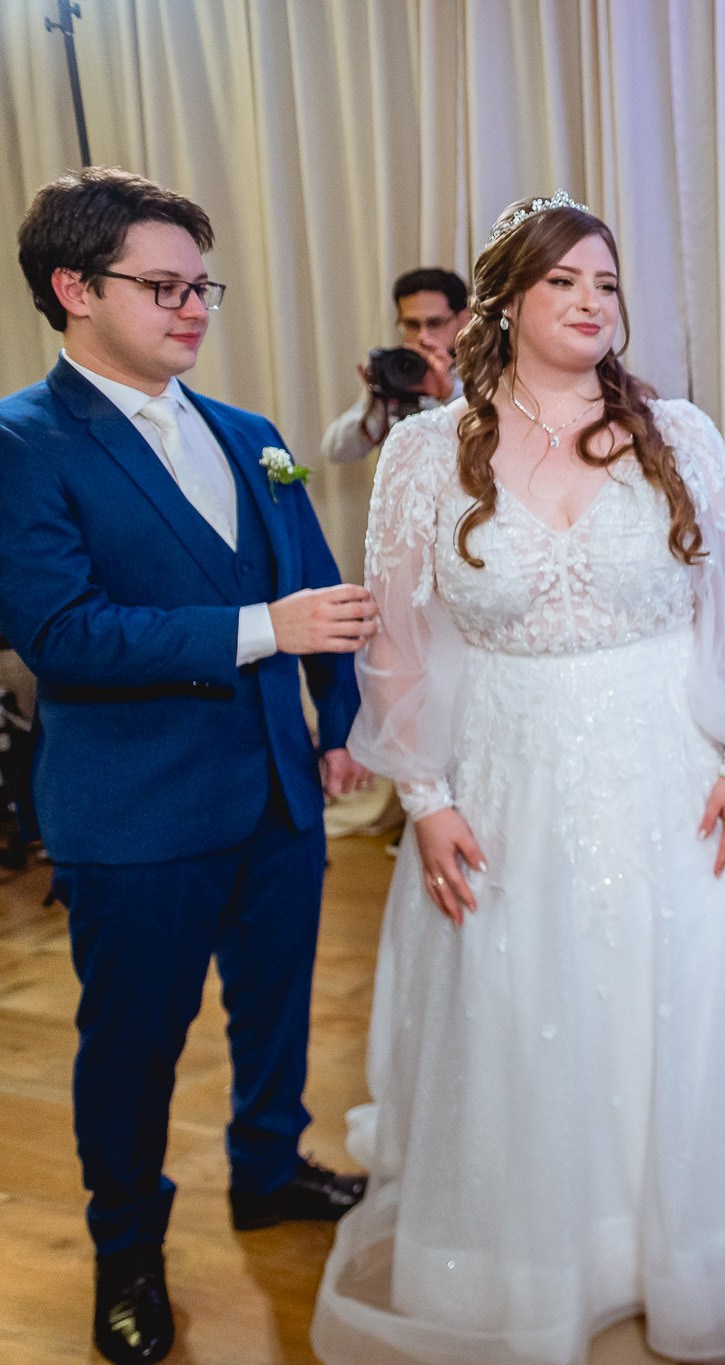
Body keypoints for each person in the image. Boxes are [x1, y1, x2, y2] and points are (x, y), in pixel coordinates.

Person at [312, 191, 725, 1365]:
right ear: (506, 302)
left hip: (677, 756)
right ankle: (549, 1259)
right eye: (565, 283)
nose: (594, 302)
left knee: (695, 998)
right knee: (530, 1005)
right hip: (509, 764)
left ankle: (708, 1254)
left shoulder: (677, 432)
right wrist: (426, 798)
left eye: (607, 283)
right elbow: (394, 634)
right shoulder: (425, 451)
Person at [0, 167, 375, 1365]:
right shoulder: (22, 443)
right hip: (135, 809)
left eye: (201, 284)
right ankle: (126, 1251)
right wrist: (268, 630)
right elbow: (58, 634)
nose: (194, 308)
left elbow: (323, 596)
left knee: (274, 1016)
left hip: (275, 786)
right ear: (72, 288)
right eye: (162, 286)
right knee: (133, 1047)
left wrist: (336, 720)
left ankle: (268, 1170)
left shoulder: (251, 435)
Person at [321, 266, 471, 467]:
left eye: (434, 323)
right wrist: (377, 404)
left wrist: (449, 392)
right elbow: (335, 450)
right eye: (412, 324)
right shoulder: (399, 370)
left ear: (464, 319)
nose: (422, 336)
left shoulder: (487, 368)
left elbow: (499, 434)